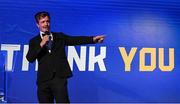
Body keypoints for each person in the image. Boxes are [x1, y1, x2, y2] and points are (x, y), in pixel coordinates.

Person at [26, 11, 105, 103]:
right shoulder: (34, 41)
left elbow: (75, 40)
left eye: (47, 21)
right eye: (43, 22)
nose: (46, 24)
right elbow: (30, 58)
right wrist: (42, 43)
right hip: (43, 80)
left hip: (59, 78)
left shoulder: (60, 37)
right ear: (37, 24)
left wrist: (92, 39)